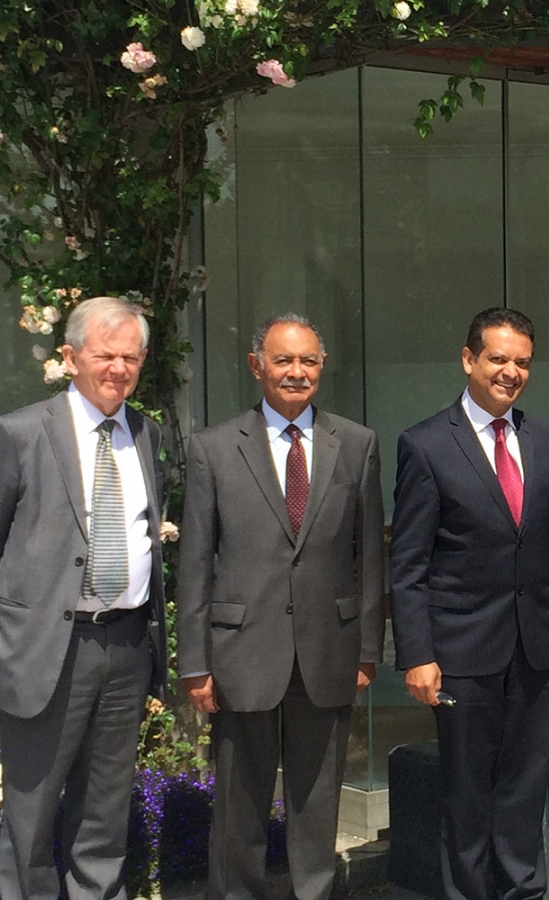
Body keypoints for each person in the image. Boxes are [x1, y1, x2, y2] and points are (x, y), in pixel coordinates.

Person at [176, 314, 384, 900]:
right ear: (256, 365)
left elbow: (367, 558)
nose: (296, 372)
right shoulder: (213, 449)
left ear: (322, 367)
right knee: (240, 808)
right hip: (241, 654)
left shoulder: (358, 445)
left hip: (328, 653)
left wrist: (367, 649)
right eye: (284, 360)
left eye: (308, 361)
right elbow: (194, 563)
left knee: (318, 807)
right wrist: (196, 662)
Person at [390, 307, 549, 900]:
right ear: (469, 360)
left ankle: (523, 893)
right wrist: (417, 655)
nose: (511, 372)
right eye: (499, 359)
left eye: (523, 362)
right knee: (467, 794)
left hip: (538, 649)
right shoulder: (426, 445)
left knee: (525, 788)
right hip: (460, 652)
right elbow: (408, 565)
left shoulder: (547, 438)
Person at [0, 296, 168, 900]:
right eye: (105, 355)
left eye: (130, 356)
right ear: (71, 357)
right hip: (48, 648)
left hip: (125, 646)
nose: (118, 368)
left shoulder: (146, 433)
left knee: (104, 808)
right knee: (31, 811)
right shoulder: (20, 433)